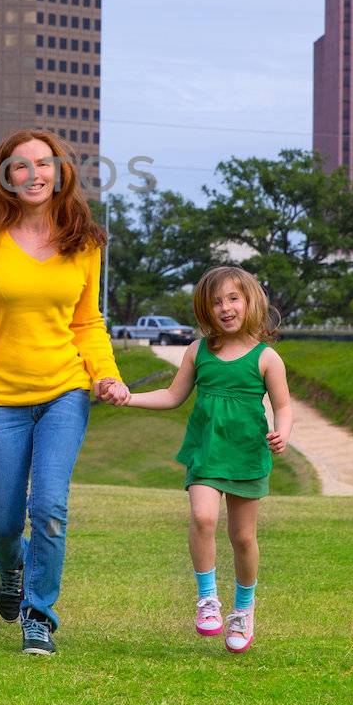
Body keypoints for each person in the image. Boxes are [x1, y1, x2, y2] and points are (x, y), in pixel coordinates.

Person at [0, 128, 129, 657]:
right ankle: (9, 565)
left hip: (65, 391)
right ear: (5, 176)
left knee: (51, 508)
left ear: (61, 172)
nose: (34, 174)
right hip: (1, 399)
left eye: (44, 164)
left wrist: (104, 373)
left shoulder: (84, 242)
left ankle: (40, 616)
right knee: (3, 523)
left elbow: (88, 322)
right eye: (21, 165)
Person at [112, 264, 293, 654]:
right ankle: (207, 599)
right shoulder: (198, 352)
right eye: (215, 302)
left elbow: (283, 405)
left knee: (243, 537)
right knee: (203, 517)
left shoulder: (267, 358)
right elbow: (173, 396)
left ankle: (244, 610)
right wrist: (130, 397)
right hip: (206, 451)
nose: (225, 308)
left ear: (249, 302)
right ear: (205, 310)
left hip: (246, 454)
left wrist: (284, 433)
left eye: (232, 299)